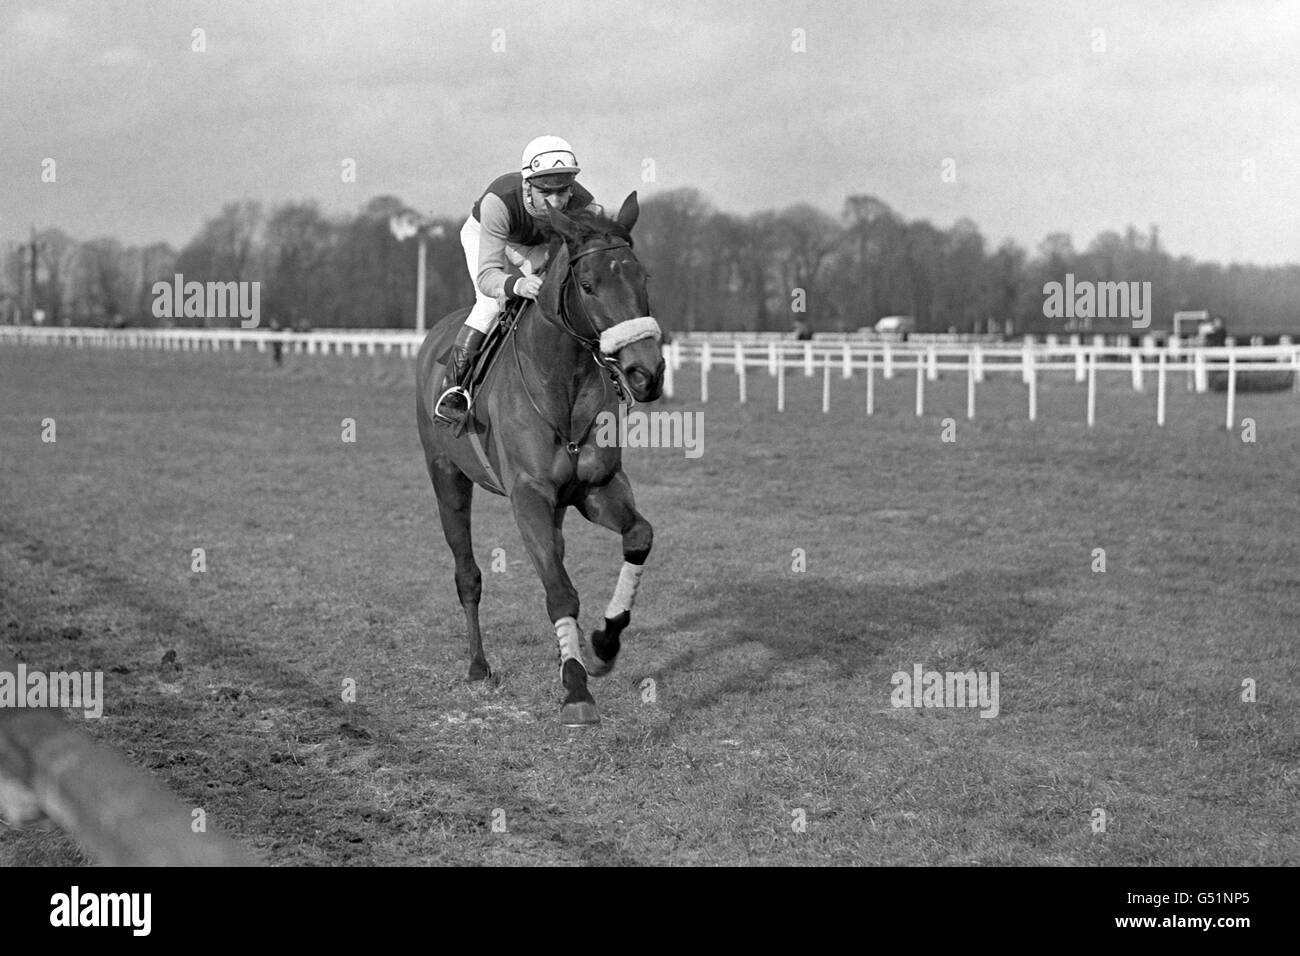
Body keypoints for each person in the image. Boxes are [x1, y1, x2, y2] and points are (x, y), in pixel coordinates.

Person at [435, 135, 603, 425]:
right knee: (490, 305)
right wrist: (517, 285)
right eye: (545, 192)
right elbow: (488, 276)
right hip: (491, 235)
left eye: (563, 191)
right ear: (527, 185)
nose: (556, 202)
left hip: (535, 245)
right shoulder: (498, 202)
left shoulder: (586, 208)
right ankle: (454, 387)